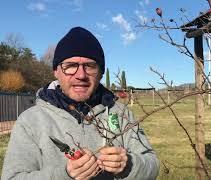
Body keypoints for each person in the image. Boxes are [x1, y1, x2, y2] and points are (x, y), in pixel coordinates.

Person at [1, 27, 159, 180]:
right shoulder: (30, 121)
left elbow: (152, 166)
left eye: (90, 66)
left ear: (101, 72)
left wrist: (129, 165)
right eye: (70, 66)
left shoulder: (121, 113)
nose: (81, 75)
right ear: (56, 71)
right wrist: (64, 175)